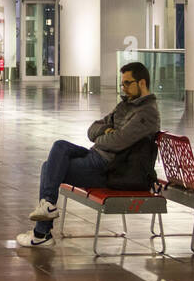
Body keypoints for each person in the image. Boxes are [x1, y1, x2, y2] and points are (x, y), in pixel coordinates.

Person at [16, 61, 161, 248]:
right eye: (122, 83)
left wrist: (103, 136)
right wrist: (105, 132)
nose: (123, 88)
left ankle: (42, 231)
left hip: (109, 168)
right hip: (97, 157)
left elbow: (117, 141)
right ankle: (46, 213)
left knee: (48, 167)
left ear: (142, 83)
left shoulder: (146, 113)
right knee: (60, 146)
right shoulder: (126, 105)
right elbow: (92, 129)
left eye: (127, 83)